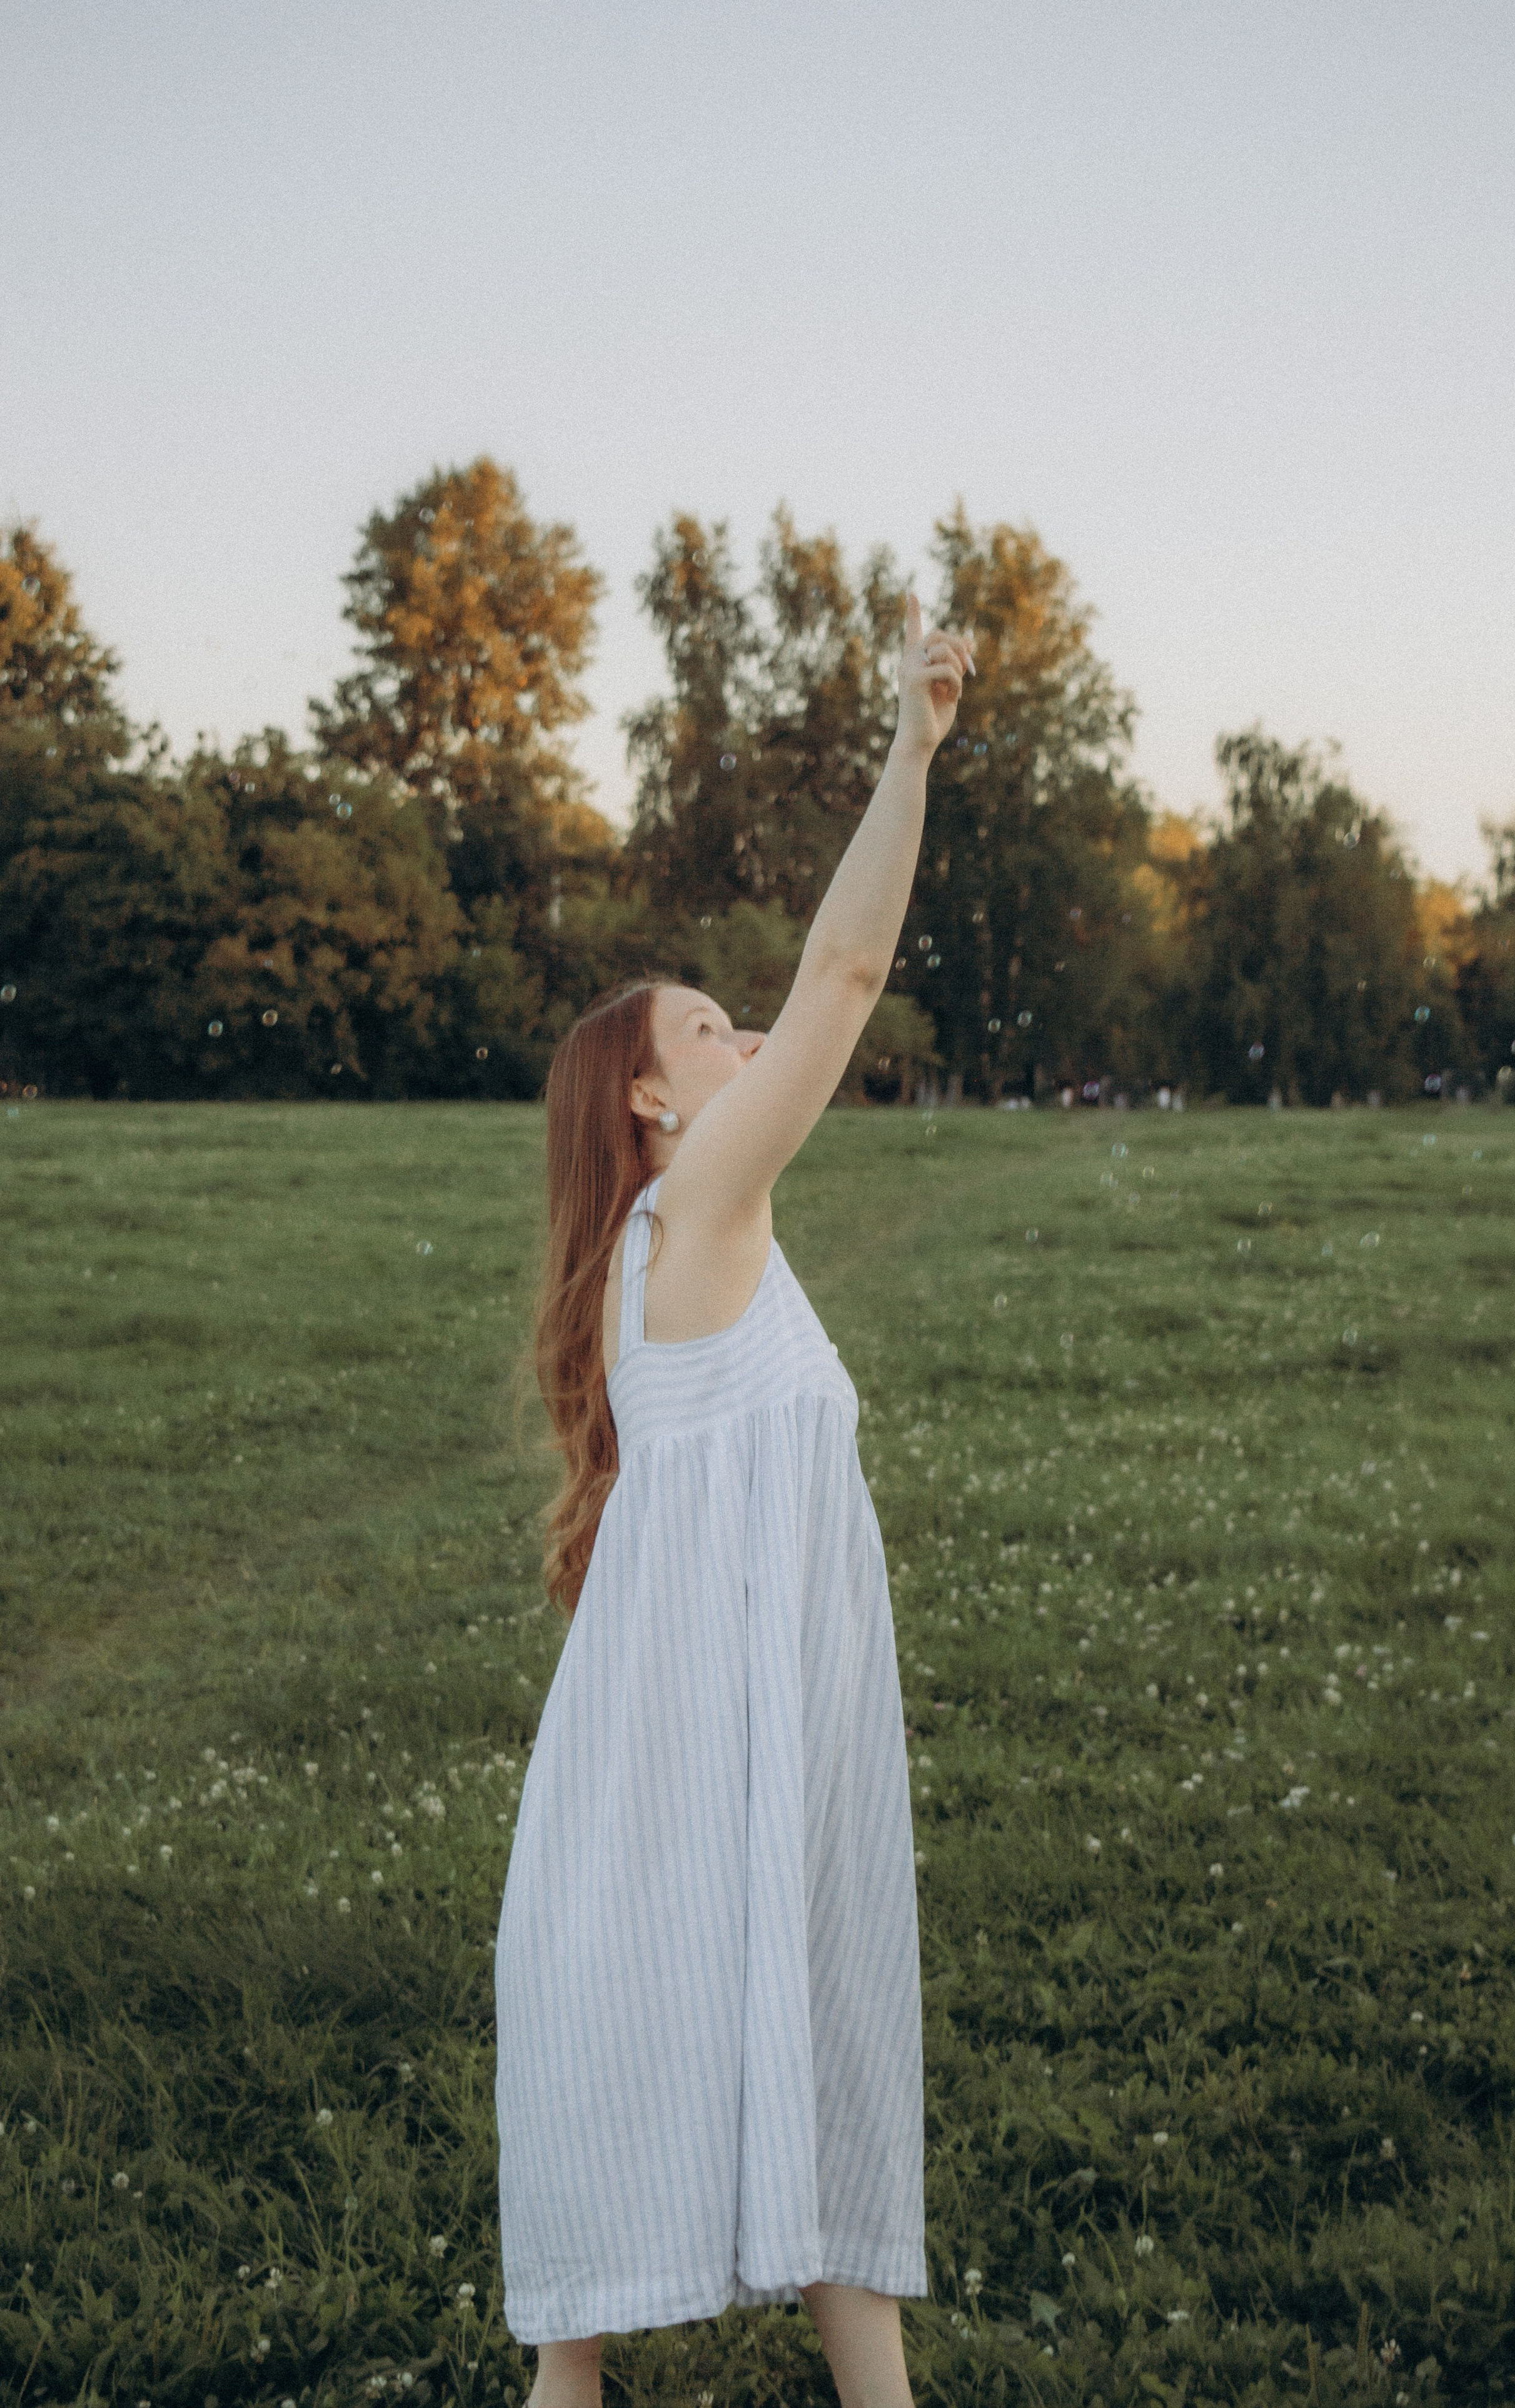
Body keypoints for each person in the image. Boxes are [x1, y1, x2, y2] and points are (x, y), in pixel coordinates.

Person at [495, 596, 975, 2408]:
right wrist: (910, 755)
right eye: (711, 1026)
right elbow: (847, 978)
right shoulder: (695, 1214)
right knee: (810, 1988)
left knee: (771, 2005)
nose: (748, 1029)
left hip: (700, 1746)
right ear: (649, 1096)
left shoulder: (660, 1249)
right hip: (733, 1742)